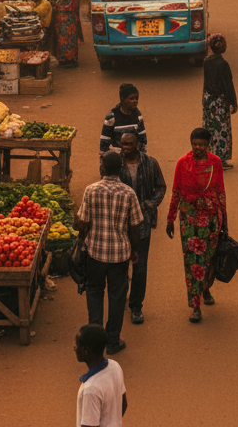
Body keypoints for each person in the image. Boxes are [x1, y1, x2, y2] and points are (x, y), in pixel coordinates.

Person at [75, 151, 143, 356]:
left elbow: (82, 223)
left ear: (102, 168)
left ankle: (95, 342)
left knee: (95, 292)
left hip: (95, 252)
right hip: (120, 254)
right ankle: (112, 340)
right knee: (117, 296)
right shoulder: (128, 193)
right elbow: (135, 226)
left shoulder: (91, 190)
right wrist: (134, 249)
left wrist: (78, 225)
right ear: (121, 169)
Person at [166, 128, 228, 323]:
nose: (197, 147)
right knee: (193, 261)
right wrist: (170, 218)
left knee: (209, 257)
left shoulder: (215, 162)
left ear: (208, 145)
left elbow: (220, 192)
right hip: (189, 217)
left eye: (201, 144)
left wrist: (224, 221)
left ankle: (205, 288)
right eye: (195, 143)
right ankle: (195, 305)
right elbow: (176, 191)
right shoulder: (182, 163)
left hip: (211, 216)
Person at [116, 132, 165, 326]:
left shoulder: (151, 163)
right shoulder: (115, 164)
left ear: (138, 145)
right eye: (122, 144)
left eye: (129, 144)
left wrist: (149, 205)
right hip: (119, 223)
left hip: (143, 223)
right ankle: (119, 301)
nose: (125, 148)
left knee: (140, 265)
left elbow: (161, 187)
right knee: (119, 265)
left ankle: (136, 306)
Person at [74, 323, 127, 427]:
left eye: (77, 346)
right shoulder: (115, 366)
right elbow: (123, 404)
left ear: (85, 351)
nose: (75, 349)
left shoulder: (90, 389)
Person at [202, 34, 238, 168]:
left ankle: (210, 156)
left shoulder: (207, 61)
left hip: (208, 100)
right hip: (219, 102)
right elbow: (228, 85)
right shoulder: (223, 64)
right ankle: (220, 159)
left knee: (210, 128)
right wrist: (232, 102)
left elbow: (206, 82)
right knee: (222, 130)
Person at [100, 84, 147, 159]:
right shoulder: (112, 117)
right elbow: (104, 143)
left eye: (136, 98)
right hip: (117, 160)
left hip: (133, 158)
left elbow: (142, 140)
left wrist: (144, 160)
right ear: (123, 99)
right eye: (131, 98)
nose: (135, 101)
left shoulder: (138, 116)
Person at [53, 0, 81, 67]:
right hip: (70, 18)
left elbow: (59, 3)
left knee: (65, 40)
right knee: (71, 40)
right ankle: (71, 59)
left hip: (66, 19)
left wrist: (53, 5)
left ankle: (66, 60)